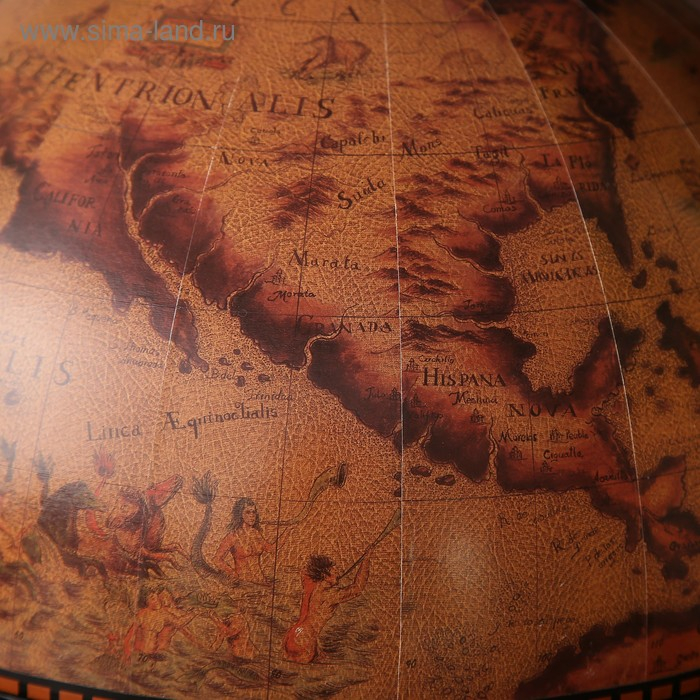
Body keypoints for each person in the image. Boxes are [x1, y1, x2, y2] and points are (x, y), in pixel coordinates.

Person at [283, 553, 371, 664]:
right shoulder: (329, 595)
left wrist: (328, 577)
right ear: (325, 575)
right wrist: (366, 560)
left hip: (292, 635)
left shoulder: (310, 584)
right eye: (334, 571)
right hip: (304, 640)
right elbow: (357, 589)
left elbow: (304, 571)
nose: (338, 573)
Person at [214, 497, 287, 584]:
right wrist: (232, 573)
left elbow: (271, 549)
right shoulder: (233, 536)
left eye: (254, 512)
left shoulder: (256, 533)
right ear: (240, 514)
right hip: (245, 583)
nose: (252, 515)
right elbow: (217, 559)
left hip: (261, 582)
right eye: (248, 512)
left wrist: (287, 533)